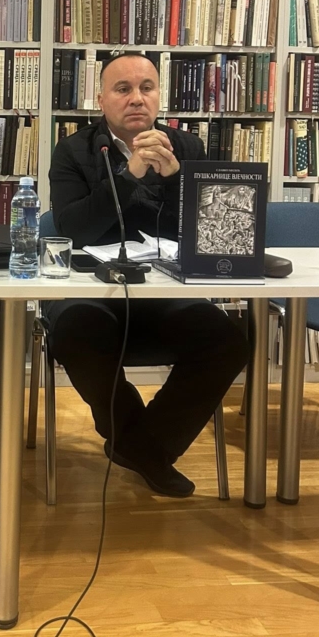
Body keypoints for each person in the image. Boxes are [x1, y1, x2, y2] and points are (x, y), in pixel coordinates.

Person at [47, 52, 249, 498]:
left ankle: (141, 446)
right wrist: (130, 174)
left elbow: (210, 232)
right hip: (94, 292)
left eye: (147, 88)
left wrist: (177, 179)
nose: (136, 98)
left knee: (228, 340)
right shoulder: (74, 151)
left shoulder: (188, 148)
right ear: (101, 99)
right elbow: (73, 229)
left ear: (160, 95)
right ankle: (140, 444)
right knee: (72, 333)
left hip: (165, 293)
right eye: (123, 89)